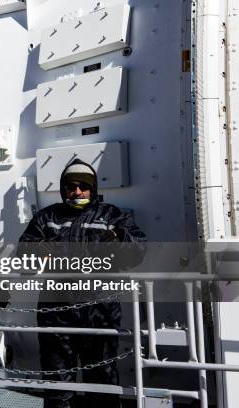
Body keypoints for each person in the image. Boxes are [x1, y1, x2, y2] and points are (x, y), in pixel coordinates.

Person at [19, 159, 146, 408]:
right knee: (57, 383)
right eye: (71, 186)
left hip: (100, 313)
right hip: (55, 314)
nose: (77, 192)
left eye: (83, 186)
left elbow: (139, 251)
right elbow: (24, 255)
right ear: (63, 189)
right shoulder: (47, 217)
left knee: (101, 381)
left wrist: (121, 240)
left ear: (93, 188)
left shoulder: (113, 216)